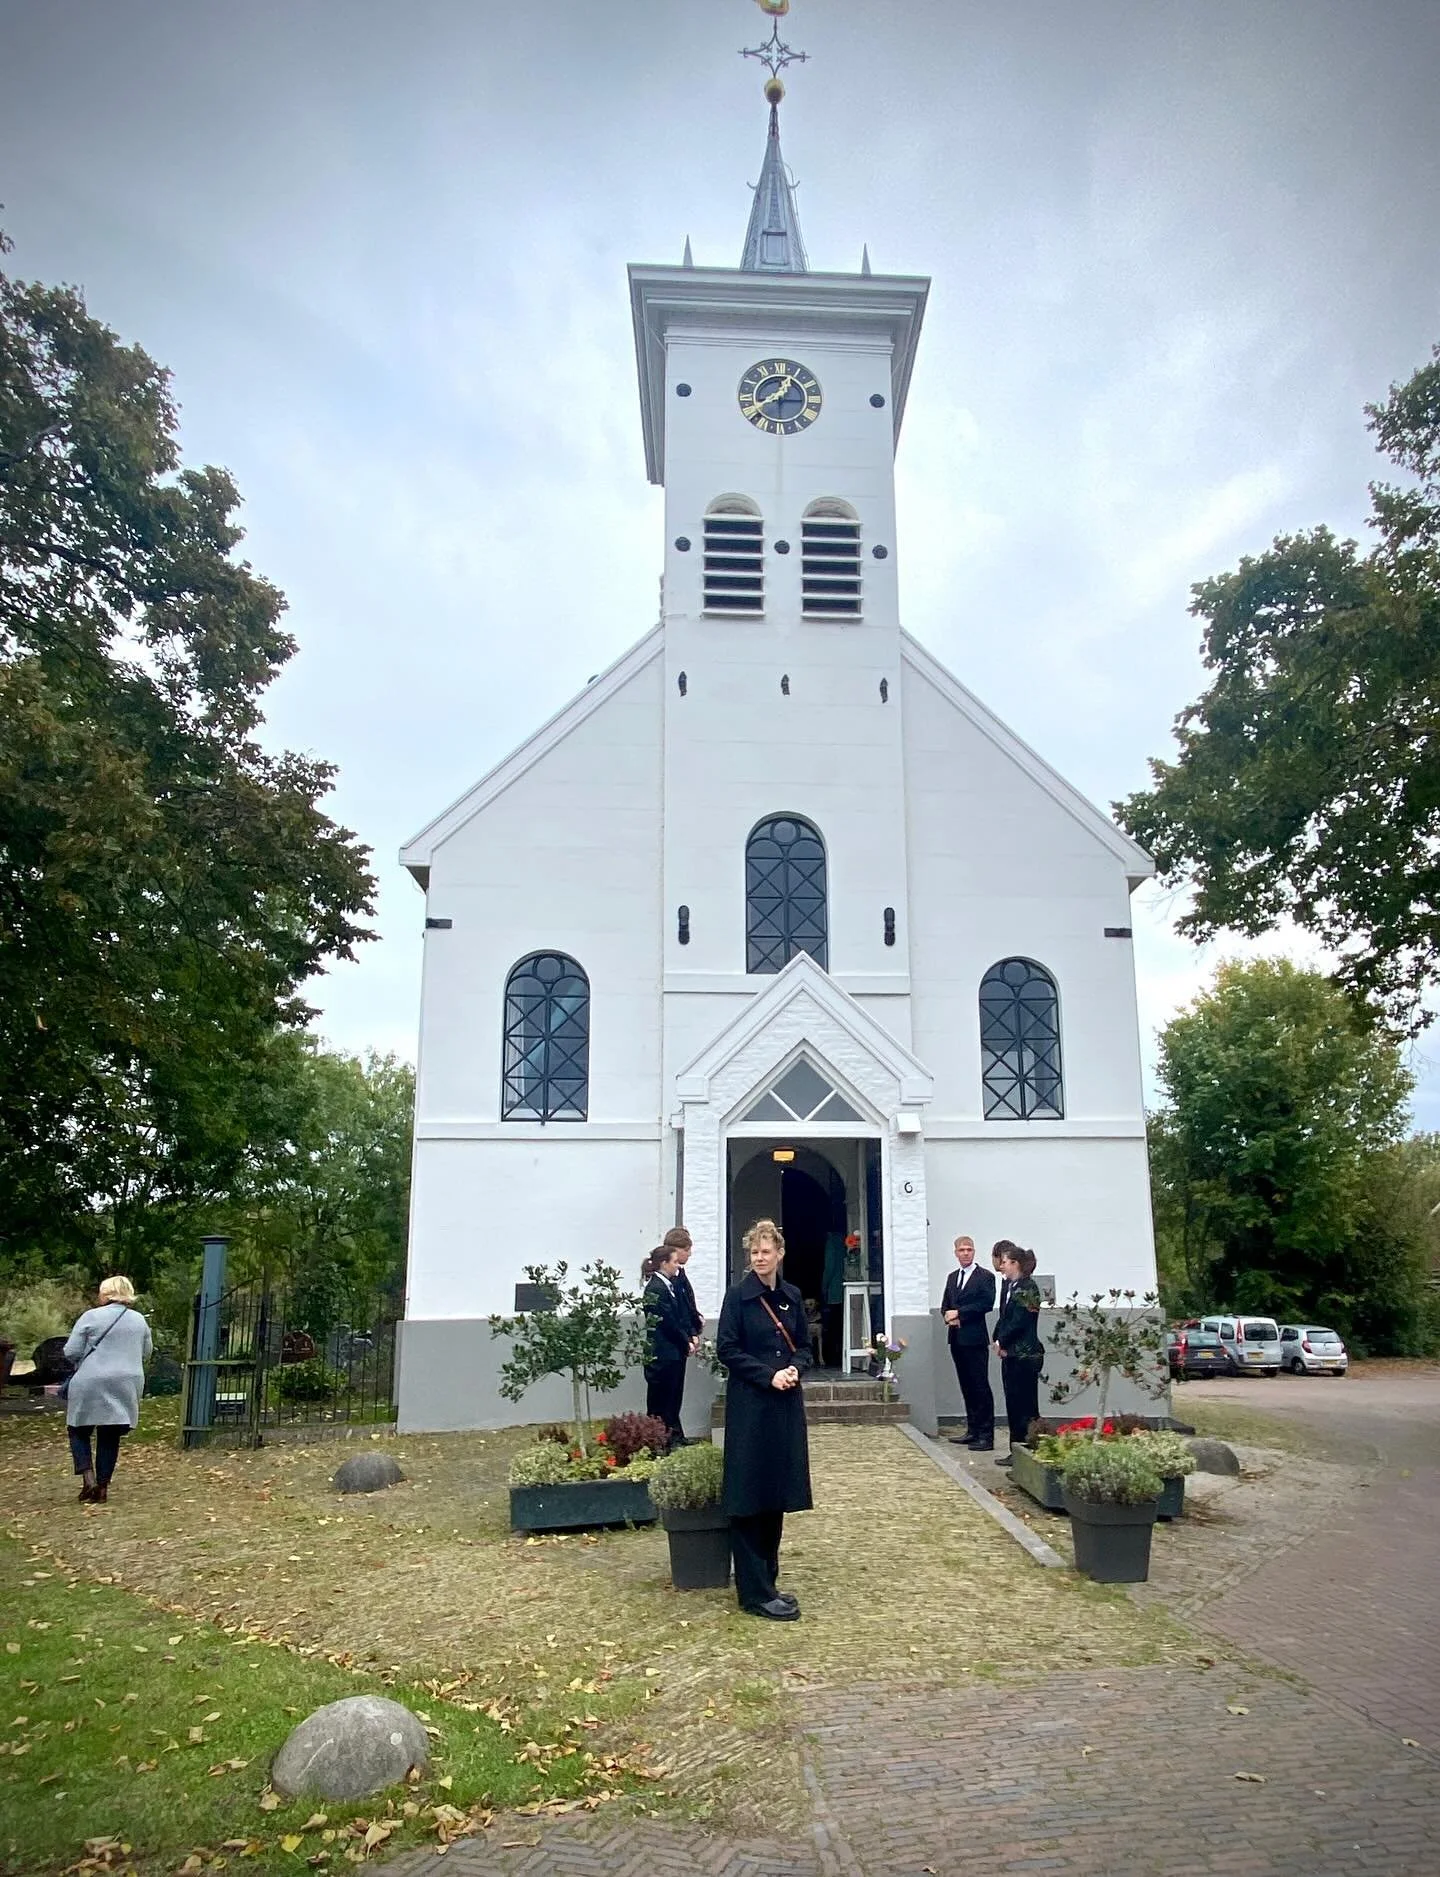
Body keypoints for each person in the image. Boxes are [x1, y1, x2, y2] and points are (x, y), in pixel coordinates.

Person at [715, 1218, 812, 1621]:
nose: (759, 1258)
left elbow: (804, 1346)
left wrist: (794, 1369)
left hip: (784, 1408)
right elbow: (727, 1349)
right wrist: (766, 1375)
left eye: (766, 1251)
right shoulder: (737, 1298)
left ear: (779, 1254)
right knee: (749, 1495)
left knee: (774, 1495)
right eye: (754, 1252)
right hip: (751, 1407)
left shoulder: (791, 1295)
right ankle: (752, 1591)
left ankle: (768, 1581)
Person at [60, 1276, 152, 1504]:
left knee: (78, 1428)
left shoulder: (90, 1317)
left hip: (91, 1379)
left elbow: (71, 1351)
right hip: (126, 1381)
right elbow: (147, 1351)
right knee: (110, 1434)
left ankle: (88, 1478)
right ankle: (102, 1488)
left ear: (106, 1293)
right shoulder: (139, 1320)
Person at [940, 1235, 995, 1449]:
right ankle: (972, 1429)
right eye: (961, 1250)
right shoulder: (953, 1277)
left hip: (974, 1338)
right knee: (966, 1385)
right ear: (955, 1253)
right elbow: (946, 1303)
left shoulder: (985, 1277)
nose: (965, 1253)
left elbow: (986, 1303)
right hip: (956, 1338)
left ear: (974, 1252)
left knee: (980, 1385)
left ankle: (986, 1434)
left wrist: (959, 1313)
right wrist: (947, 1314)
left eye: (969, 1249)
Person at [993, 1246, 1044, 1465]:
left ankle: (1026, 1448)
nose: (1001, 1266)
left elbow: (1020, 1321)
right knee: (1013, 1404)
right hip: (1011, 1353)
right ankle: (1017, 1448)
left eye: (1005, 1262)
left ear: (1015, 1263)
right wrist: (997, 1340)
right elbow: (1004, 1317)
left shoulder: (1027, 1288)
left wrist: (1003, 1341)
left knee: (1024, 1405)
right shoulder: (1011, 1286)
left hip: (1023, 1353)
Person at [642, 1246, 692, 1448]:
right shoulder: (656, 1288)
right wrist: (685, 1341)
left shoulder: (668, 1286)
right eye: (674, 1262)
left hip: (673, 1352)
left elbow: (680, 1314)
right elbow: (667, 1322)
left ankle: (674, 1436)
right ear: (663, 1263)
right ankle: (660, 1440)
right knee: (662, 1399)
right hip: (663, 1354)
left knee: (673, 1397)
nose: (677, 1266)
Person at [662, 1226, 704, 1351]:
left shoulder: (680, 1274)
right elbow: (678, 1312)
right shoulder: (668, 1282)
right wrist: (689, 1334)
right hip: (672, 1346)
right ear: (674, 1250)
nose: (690, 1254)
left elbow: (687, 1303)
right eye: (686, 1250)